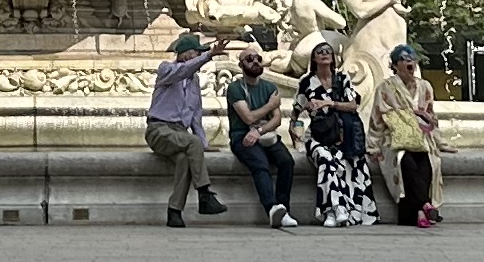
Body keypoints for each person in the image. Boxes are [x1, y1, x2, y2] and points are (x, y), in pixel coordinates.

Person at [294, 40, 375, 229]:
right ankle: (336, 209)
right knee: (325, 160)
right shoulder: (306, 81)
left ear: (333, 57)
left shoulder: (342, 78)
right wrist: (296, 136)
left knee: (340, 163)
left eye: (328, 51)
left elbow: (354, 105)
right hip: (317, 136)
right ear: (314, 57)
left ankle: (331, 212)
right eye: (320, 51)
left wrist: (330, 104)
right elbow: (295, 112)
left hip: (342, 136)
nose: (324, 54)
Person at [145, 28, 221, 227]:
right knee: (192, 143)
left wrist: (203, 143)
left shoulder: (194, 81)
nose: (199, 56)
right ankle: (204, 194)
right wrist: (210, 55)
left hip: (179, 133)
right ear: (187, 54)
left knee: (183, 161)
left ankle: (174, 211)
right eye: (197, 52)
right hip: (159, 130)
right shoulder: (166, 70)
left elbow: (196, 116)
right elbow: (183, 70)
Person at [372, 44, 444, 230]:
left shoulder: (425, 86)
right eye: (404, 59)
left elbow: (431, 116)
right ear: (395, 65)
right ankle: (426, 205)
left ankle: (419, 212)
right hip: (395, 138)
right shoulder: (385, 88)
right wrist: (372, 145)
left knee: (428, 162)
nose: (410, 61)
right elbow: (377, 118)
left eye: (412, 58)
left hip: (421, 136)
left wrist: (438, 137)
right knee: (405, 161)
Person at [219, 46, 290, 223]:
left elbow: (277, 119)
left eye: (257, 58)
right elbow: (248, 118)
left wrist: (259, 131)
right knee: (260, 164)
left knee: (287, 161)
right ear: (241, 65)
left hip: (264, 134)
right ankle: (271, 208)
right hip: (241, 136)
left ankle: (283, 209)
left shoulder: (269, 86)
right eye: (249, 59)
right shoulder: (235, 88)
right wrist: (270, 105)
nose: (255, 61)